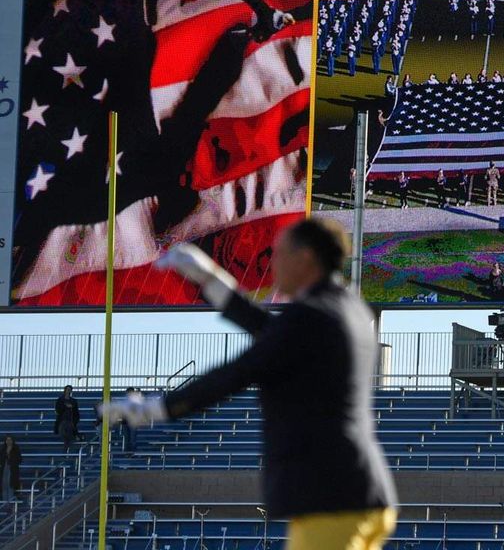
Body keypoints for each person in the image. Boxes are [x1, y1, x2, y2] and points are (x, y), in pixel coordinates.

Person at [100, 219, 397, 550]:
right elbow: (275, 334)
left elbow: (238, 372)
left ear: (306, 258)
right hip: (355, 494)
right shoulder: (346, 307)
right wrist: (211, 281)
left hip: (329, 500)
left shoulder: (310, 317)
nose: (273, 263)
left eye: (279, 253)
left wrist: (153, 410)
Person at [53, 385, 81, 451]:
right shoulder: (60, 400)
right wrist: (66, 406)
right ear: (65, 390)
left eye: (70, 389)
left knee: (68, 430)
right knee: (64, 431)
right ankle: (68, 444)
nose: (68, 391)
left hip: (70, 420)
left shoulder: (73, 401)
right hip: (62, 420)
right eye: (67, 389)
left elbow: (76, 412)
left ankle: (67, 446)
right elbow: (58, 410)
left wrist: (75, 420)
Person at [0, 436, 21, 502]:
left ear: (12, 441)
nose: (8, 441)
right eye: (7, 440)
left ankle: (10, 504)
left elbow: (19, 459)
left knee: (10, 485)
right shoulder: (3, 449)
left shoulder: (16, 449)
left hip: (13, 470)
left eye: (10, 440)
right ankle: (4, 503)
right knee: (4, 485)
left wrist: (10, 455)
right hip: (4, 469)